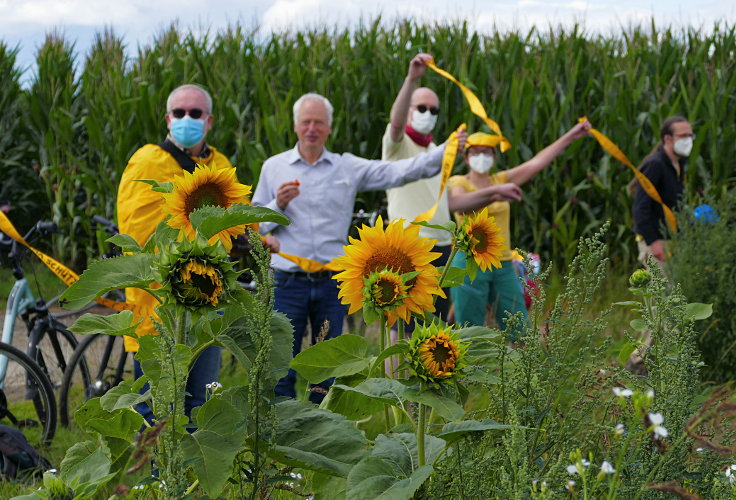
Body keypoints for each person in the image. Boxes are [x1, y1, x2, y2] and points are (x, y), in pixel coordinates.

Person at [252, 92, 466, 403]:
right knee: (280, 365)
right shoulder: (274, 168)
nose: (312, 128)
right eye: (306, 122)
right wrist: (277, 205)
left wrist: (448, 150)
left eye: (319, 123)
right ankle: (280, 432)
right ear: (296, 125)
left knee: (329, 367)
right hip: (287, 283)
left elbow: (401, 171)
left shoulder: (346, 168)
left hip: (333, 284)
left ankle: (320, 429)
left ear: (329, 127)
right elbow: (255, 226)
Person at [118, 84, 278, 424]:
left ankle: (191, 474)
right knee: (158, 402)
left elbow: (238, 214)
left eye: (195, 113)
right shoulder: (148, 161)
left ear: (209, 121)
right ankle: (159, 477)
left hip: (207, 298)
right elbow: (139, 232)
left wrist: (260, 238)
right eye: (179, 113)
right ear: (167, 119)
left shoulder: (217, 164)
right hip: (161, 300)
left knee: (201, 400)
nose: (186, 119)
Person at [382, 53, 521, 327]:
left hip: (443, 248)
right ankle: (395, 373)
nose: (428, 114)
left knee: (434, 325)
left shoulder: (438, 153)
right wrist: (412, 79)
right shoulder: (397, 146)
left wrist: (493, 193)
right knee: (403, 326)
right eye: (421, 108)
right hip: (408, 246)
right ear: (409, 109)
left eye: (434, 111)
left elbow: (450, 204)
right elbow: (396, 124)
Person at [447, 122, 590, 340]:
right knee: (470, 332)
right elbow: (458, 203)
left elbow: (538, 161)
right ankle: (471, 373)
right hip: (469, 263)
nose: (481, 157)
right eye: (475, 153)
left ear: (494, 157)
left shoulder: (501, 179)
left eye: (487, 152)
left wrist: (571, 134)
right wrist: (494, 194)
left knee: (520, 330)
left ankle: (521, 372)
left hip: (503, 265)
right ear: (466, 158)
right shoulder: (460, 182)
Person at [632, 116, 693, 266]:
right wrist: (653, 242)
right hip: (657, 241)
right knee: (663, 288)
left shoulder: (680, 163)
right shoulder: (655, 165)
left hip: (673, 238)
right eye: (683, 136)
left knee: (677, 288)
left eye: (690, 135)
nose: (688, 140)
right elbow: (640, 207)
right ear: (668, 138)